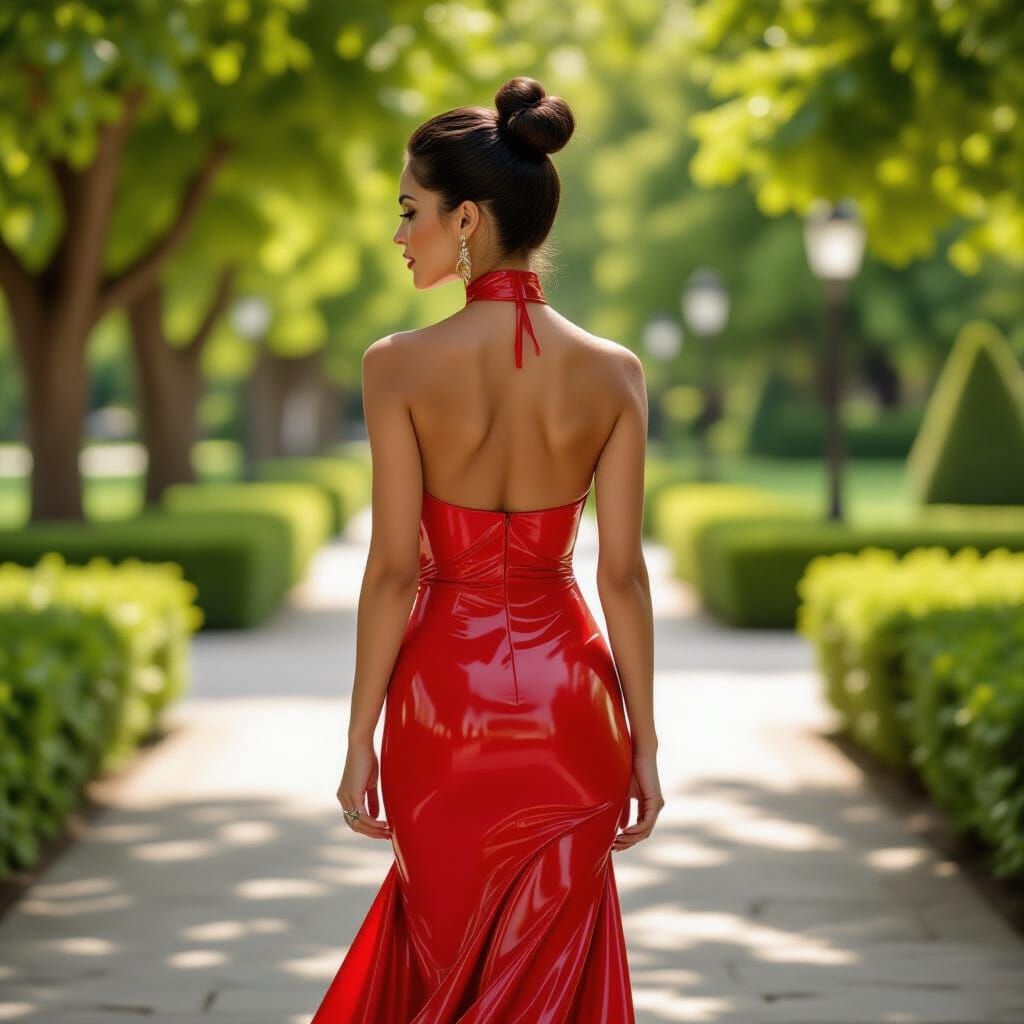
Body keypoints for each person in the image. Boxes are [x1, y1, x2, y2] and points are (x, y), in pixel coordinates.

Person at [311, 75, 661, 1023]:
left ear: (465, 218)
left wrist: (359, 738)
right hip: (574, 714)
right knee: (553, 982)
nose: (399, 234)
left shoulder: (396, 367)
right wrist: (645, 744)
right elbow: (623, 578)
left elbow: (393, 571)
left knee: (444, 960)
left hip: (442, 711)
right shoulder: (616, 374)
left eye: (409, 211)